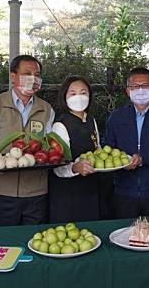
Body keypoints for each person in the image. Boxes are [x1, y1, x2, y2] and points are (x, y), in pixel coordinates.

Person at [0, 55, 55, 226]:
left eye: (37, 74)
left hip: (37, 190)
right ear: (12, 76)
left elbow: (47, 146)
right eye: (27, 73)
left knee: (34, 240)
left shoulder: (46, 109)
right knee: (4, 243)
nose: (33, 79)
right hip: (1, 189)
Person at [105, 67, 149, 219]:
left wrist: (143, 159)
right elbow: (108, 150)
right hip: (123, 190)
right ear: (127, 91)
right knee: (124, 233)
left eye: (145, 86)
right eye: (135, 86)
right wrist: (122, 163)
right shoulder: (116, 118)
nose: (140, 90)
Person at [48, 76, 103, 222]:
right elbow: (56, 166)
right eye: (73, 93)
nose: (79, 97)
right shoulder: (60, 125)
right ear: (64, 97)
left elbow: (98, 149)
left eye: (83, 92)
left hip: (91, 188)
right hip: (68, 194)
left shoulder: (91, 120)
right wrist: (75, 168)